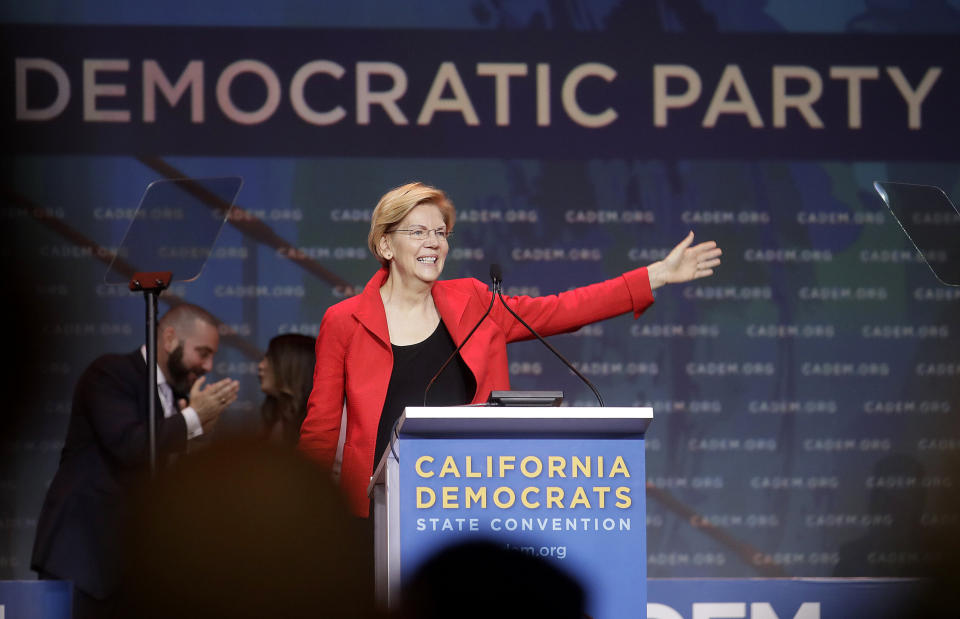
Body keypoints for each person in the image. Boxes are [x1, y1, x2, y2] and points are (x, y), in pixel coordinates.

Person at [299, 182, 722, 517]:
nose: (434, 242)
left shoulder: (474, 302)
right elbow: (320, 431)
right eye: (418, 232)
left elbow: (560, 310)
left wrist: (655, 276)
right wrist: (303, 513)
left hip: (468, 500)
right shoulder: (345, 321)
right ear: (386, 245)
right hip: (378, 508)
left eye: (440, 233)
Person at [31, 302, 239, 619]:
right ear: (169, 339)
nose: (209, 365)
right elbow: (130, 446)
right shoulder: (111, 373)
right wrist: (194, 418)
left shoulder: (176, 397)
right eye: (203, 352)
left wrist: (195, 429)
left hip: (131, 571)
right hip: (83, 563)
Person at [258, 333, 317, 445]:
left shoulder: (320, 425)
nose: (260, 366)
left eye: (270, 358)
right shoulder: (274, 419)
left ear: (294, 364)